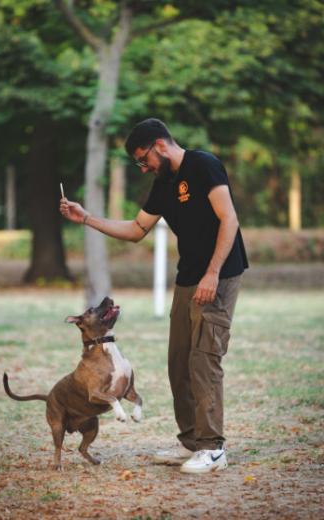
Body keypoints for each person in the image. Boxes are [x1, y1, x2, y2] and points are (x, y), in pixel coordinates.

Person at [60, 118, 248, 474]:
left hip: (219, 275)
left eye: (142, 158)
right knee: (179, 362)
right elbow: (135, 230)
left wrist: (212, 273)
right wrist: (87, 219)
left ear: (160, 145)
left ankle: (213, 448)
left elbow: (230, 220)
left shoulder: (204, 165)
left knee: (204, 360)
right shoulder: (163, 183)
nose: (142, 166)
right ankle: (193, 443)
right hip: (189, 277)